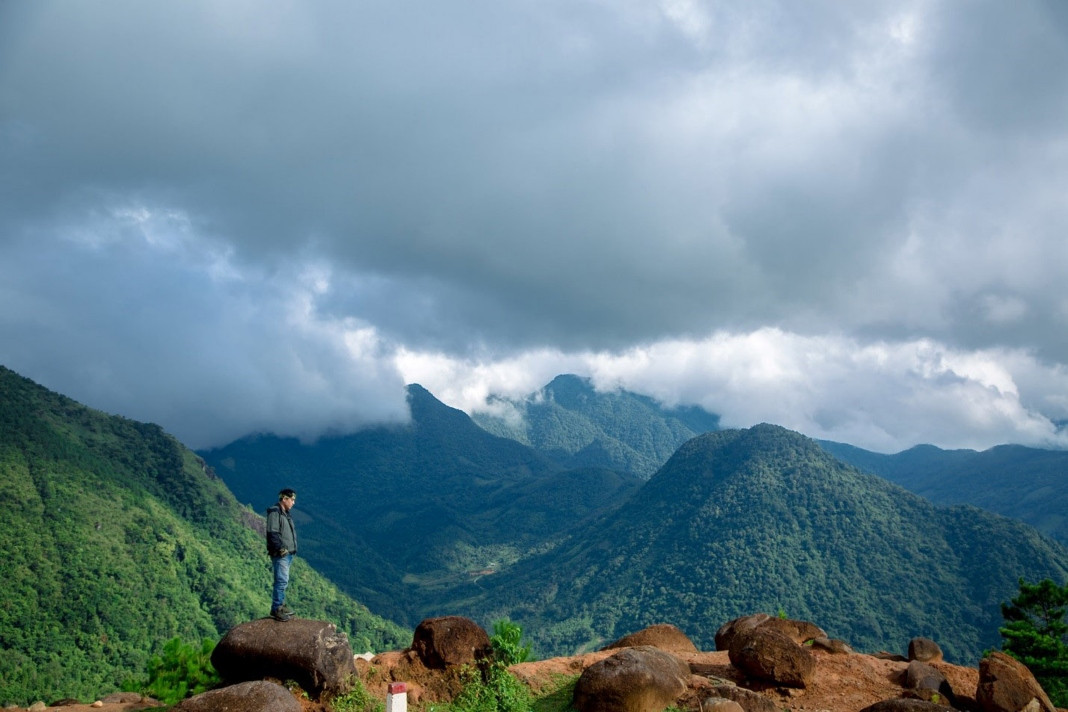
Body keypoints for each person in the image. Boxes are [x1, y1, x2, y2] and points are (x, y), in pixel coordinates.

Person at [266, 488, 298, 621]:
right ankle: (276, 608)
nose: (293, 503)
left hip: (288, 554)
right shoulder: (275, 512)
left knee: (283, 581)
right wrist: (280, 549)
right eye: (292, 500)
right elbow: (272, 532)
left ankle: (281, 605)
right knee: (281, 581)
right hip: (282, 555)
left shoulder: (285, 513)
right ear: (284, 499)